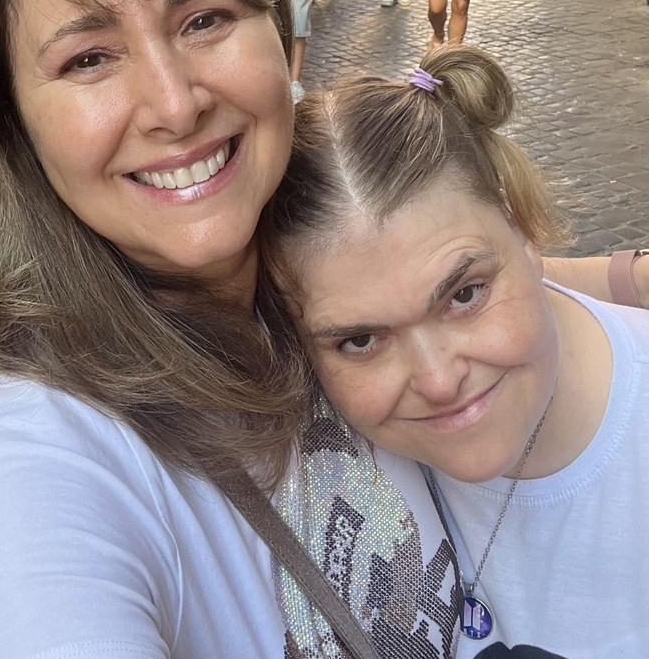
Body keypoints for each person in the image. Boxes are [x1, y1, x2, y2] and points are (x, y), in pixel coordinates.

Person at [0, 0, 642, 658]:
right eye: (88, 60)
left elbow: (463, 276)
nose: (174, 104)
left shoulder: (280, 260)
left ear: (278, 26)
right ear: (10, 120)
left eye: (204, 19)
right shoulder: (21, 450)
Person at [264, 45, 649, 659]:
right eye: (360, 340)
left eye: (465, 295)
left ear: (523, 230)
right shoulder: (315, 448)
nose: (439, 381)